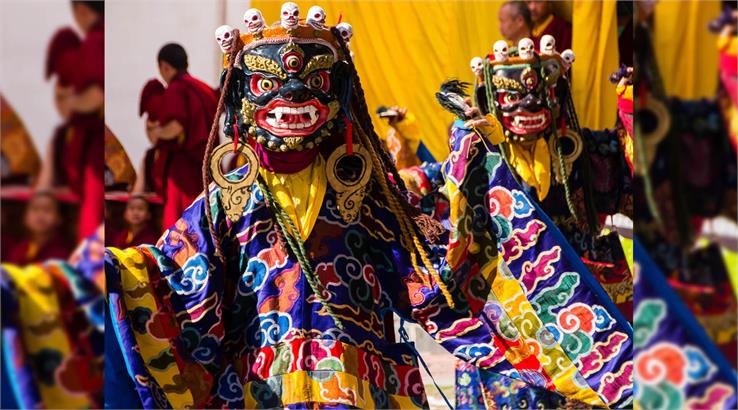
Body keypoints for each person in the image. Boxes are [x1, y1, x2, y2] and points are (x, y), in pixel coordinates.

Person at [105, 5, 632, 408]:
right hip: (263, 389)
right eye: (268, 86)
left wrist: (471, 176)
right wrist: (114, 270)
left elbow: (435, 274)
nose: (291, 99)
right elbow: (176, 273)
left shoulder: (371, 198)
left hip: (363, 386)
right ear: (244, 97)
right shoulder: (229, 199)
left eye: (312, 84)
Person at [36, 0, 105, 240]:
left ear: (81, 10)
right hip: (81, 145)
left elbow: (96, 95)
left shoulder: (96, 41)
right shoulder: (60, 136)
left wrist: (71, 101)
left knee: (92, 226)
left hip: (94, 150)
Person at [141, 43, 218, 229]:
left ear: (165, 66)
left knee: (180, 219)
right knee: (204, 212)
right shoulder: (204, 88)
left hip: (183, 167)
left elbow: (176, 125)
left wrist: (156, 132)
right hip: (207, 164)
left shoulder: (177, 88)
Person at [5, 192, 72, 264]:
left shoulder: (62, 252)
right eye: (35, 209)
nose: (40, 215)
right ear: (25, 218)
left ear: (59, 218)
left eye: (47, 210)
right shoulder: (19, 249)